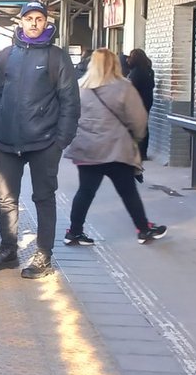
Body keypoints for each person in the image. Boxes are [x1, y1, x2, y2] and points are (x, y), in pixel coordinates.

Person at [0, 2, 80, 280]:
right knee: (6, 200)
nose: (34, 23)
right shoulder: (5, 56)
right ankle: (9, 251)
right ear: (20, 22)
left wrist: (61, 141)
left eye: (39, 19)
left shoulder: (56, 57)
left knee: (43, 199)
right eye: (29, 19)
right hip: (5, 142)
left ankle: (43, 255)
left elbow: (70, 101)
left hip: (44, 143)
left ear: (47, 23)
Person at [65, 50, 169, 245]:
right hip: (116, 150)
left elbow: (69, 116)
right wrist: (136, 139)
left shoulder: (79, 87)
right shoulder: (123, 87)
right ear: (115, 64)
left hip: (88, 150)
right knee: (128, 191)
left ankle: (74, 232)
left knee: (85, 191)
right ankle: (143, 229)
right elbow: (138, 119)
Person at [126, 49, 157, 160]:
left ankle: (136, 152)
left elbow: (131, 88)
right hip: (147, 101)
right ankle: (143, 152)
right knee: (143, 126)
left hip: (136, 102)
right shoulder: (149, 71)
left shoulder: (136, 72)